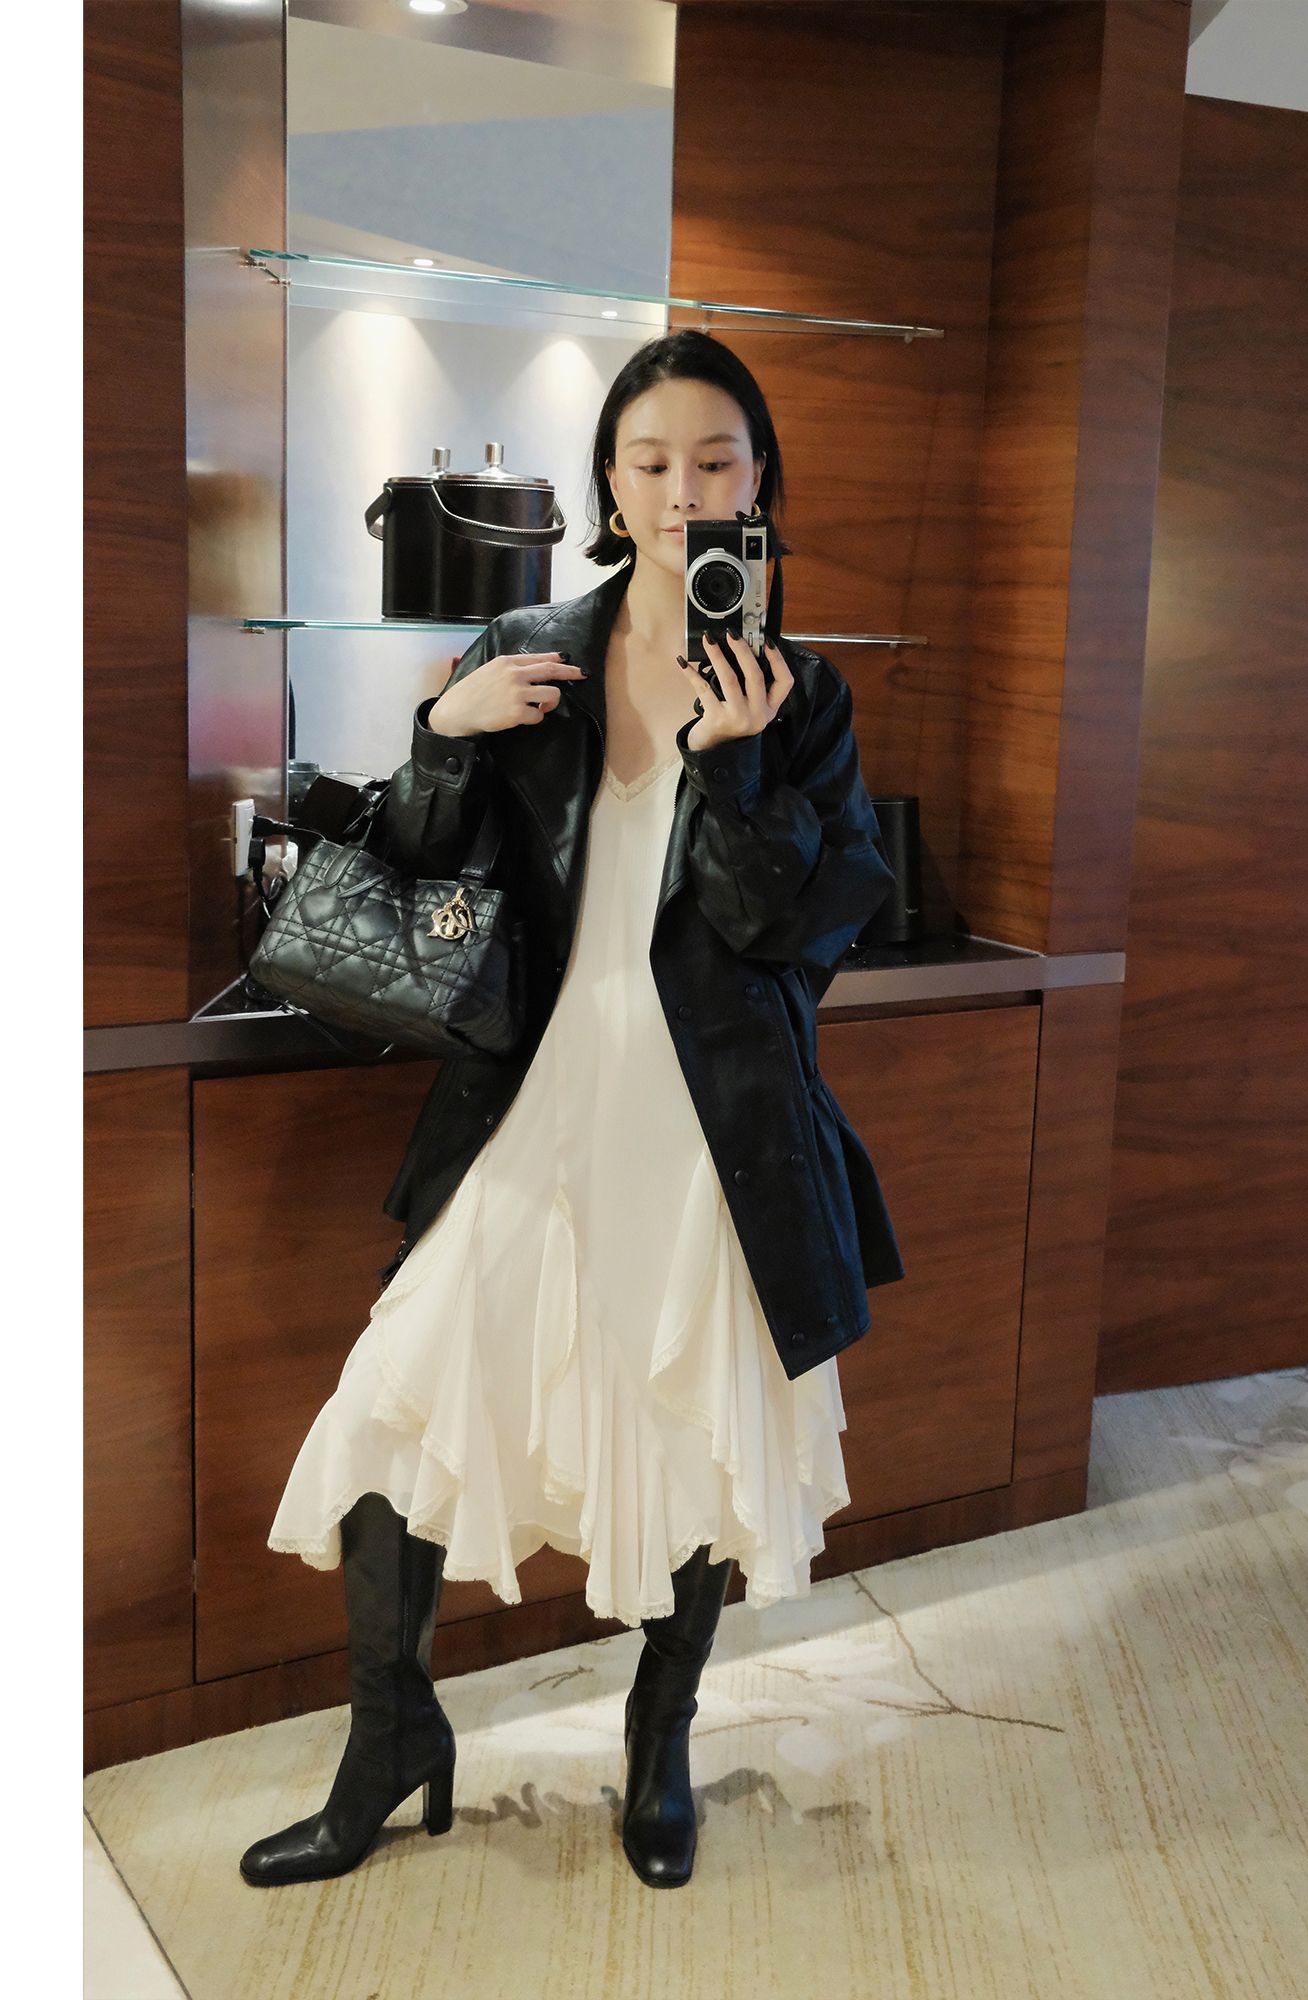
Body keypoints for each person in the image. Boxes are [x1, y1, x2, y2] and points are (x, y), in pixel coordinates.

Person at [240, 330, 902, 1893]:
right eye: (651, 461)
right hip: (529, 1107)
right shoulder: (529, 647)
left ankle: (659, 1747)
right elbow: (424, 875)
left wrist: (732, 768)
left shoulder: (801, 696)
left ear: (761, 483)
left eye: (716, 461)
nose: (683, 491)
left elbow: (797, 931)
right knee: (392, 1409)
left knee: (686, 1446)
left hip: (710, 1133)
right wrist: (440, 737)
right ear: (607, 485)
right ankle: (392, 1740)